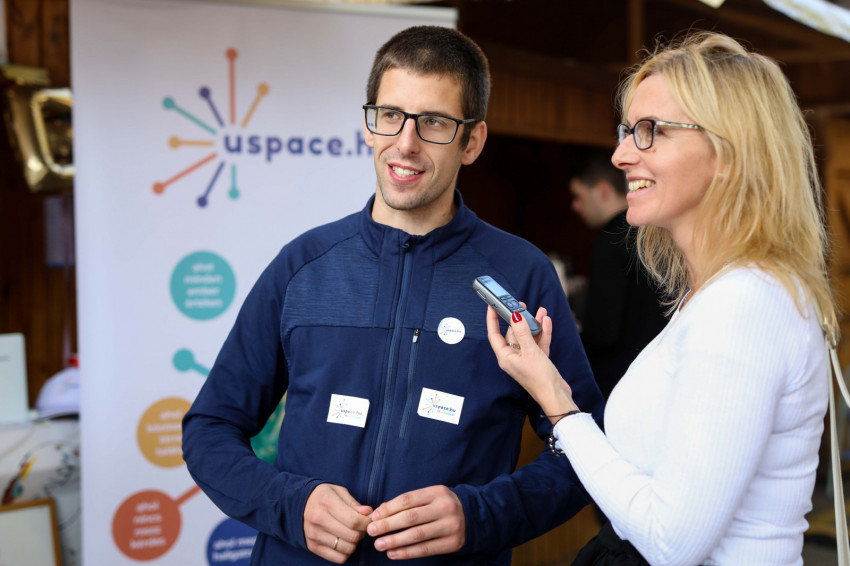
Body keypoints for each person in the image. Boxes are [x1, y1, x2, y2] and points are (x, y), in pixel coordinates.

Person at [182, 25, 604, 566]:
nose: (405, 143)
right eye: (390, 115)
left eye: (434, 122)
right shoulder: (304, 266)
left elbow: (583, 445)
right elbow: (209, 429)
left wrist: (479, 516)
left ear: (472, 141)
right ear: (369, 124)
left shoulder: (521, 275)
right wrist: (292, 504)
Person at [487, 31, 837, 565]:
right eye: (627, 131)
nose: (622, 154)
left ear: (729, 150)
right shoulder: (720, 292)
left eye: (650, 131)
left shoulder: (745, 303)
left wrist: (557, 402)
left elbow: (672, 541)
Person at [569, 155, 668, 398]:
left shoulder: (609, 243)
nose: (575, 206)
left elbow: (603, 331)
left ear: (602, 190)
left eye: (579, 196)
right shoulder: (657, 236)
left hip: (617, 382)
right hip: (659, 374)